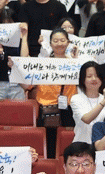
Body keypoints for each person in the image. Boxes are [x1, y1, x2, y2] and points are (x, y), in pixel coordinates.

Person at [32, 27, 77, 158]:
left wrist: (76, 59)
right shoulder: (42, 64)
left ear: (68, 42)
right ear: (50, 43)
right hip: (47, 109)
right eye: (55, 41)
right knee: (49, 146)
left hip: (68, 108)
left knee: (68, 144)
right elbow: (26, 85)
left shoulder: (74, 63)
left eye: (62, 40)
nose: (59, 44)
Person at [0, 11, 29, 100]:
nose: (8, 27)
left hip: (17, 85)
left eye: (10, 23)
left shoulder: (20, 41)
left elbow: (24, 58)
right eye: (4, 24)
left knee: (18, 109)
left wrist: (24, 36)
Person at [71, 61, 105, 143]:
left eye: (97, 76)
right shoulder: (76, 99)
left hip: (102, 145)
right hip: (81, 145)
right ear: (83, 80)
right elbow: (87, 119)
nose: (94, 79)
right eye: (89, 76)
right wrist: (104, 100)